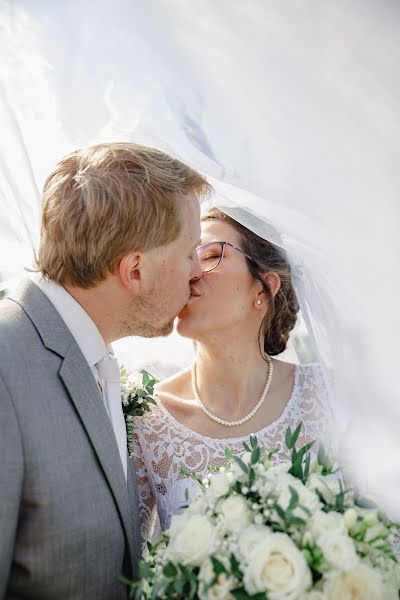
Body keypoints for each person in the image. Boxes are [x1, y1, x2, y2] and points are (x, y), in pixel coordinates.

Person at [0, 142, 211, 599]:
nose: (198, 271)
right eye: (190, 252)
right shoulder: (5, 368)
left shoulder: (93, 358)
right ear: (134, 270)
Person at [133, 207, 330, 545]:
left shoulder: (328, 395)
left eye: (210, 254)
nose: (191, 272)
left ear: (263, 289)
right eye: (185, 256)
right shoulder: (148, 423)